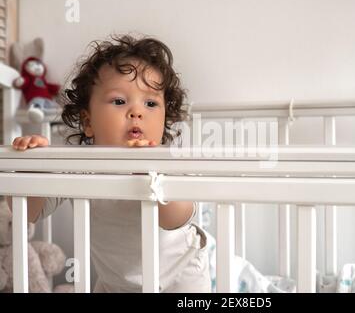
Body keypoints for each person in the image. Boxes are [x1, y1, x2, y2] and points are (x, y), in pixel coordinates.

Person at [8, 34, 210, 293]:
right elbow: (26, 211)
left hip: (180, 275)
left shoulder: (168, 162)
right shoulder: (79, 166)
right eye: (119, 101)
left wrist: (150, 174)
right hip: (115, 283)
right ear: (89, 121)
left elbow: (176, 219)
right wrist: (32, 167)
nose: (136, 112)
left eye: (150, 103)